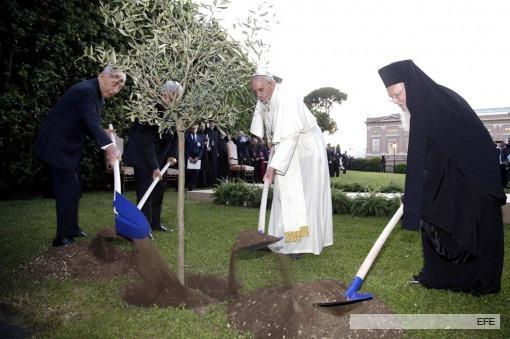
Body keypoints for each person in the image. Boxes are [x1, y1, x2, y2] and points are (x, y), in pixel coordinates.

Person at [378, 60, 505, 295]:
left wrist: (415, 196)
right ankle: (439, 276)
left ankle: (469, 280)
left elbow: (426, 159)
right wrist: (417, 195)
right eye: (392, 98)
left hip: (472, 177)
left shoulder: (431, 105)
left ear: (411, 85)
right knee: (433, 211)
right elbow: (432, 155)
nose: (397, 101)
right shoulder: (431, 101)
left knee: (459, 221)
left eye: (398, 94)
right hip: (451, 171)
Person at [36, 66, 125, 247]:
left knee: (74, 189)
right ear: (102, 76)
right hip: (57, 145)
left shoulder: (96, 93)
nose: (115, 90)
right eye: (114, 84)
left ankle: (72, 228)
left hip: (68, 146)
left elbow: (87, 120)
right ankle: (62, 238)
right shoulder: (86, 91)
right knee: (66, 190)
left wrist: (104, 132)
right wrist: (110, 148)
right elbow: (91, 123)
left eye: (119, 87)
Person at [250, 72, 333, 257]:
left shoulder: (286, 99)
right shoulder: (266, 98)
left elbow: (290, 137)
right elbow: (269, 124)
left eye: (261, 90)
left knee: (303, 196)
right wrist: (271, 140)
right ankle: (279, 238)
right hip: (288, 147)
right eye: (255, 91)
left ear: (271, 84)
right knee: (283, 193)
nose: (259, 95)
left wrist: (272, 167)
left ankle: (301, 245)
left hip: (307, 150)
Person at [123, 80, 181, 234]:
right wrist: (154, 167)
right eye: (174, 96)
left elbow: (177, 134)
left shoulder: (174, 111)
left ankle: (155, 223)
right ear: (166, 94)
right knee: (145, 190)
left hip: (160, 155)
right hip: (143, 155)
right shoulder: (150, 111)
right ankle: (144, 227)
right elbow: (146, 141)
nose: (176, 100)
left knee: (158, 189)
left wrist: (172, 154)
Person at [185, 125, 203, 191]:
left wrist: (198, 158)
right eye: (193, 128)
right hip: (188, 158)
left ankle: (192, 186)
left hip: (196, 159)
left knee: (195, 173)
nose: (194, 130)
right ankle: (187, 185)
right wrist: (188, 157)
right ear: (190, 129)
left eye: (195, 128)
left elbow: (201, 149)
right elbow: (184, 148)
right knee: (188, 173)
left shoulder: (200, 138)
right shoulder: (186, 137)